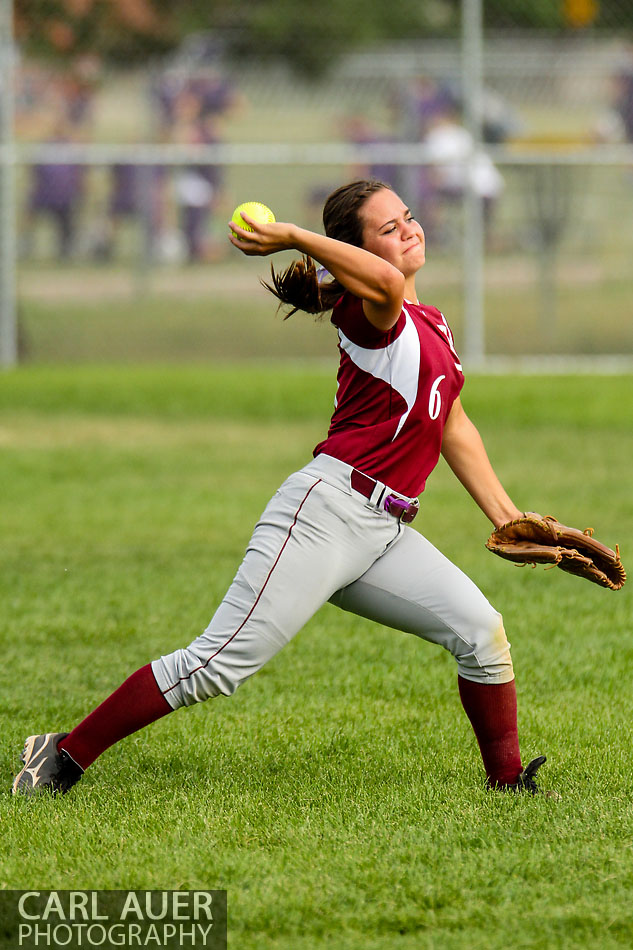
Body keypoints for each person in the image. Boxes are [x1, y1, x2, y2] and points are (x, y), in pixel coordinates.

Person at [12, 179, 553, 798]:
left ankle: (509, 786)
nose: (409, 229)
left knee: (481, 632)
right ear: (355, 252)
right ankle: (61, 755)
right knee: (217, 665)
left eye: (407, 217)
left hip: (382, 530)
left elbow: (451, 421)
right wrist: (295, 236)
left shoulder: (428, 323)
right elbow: (385, 285)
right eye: (388, 228)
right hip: (323, 514)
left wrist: (505, 514)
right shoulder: (370, 309)